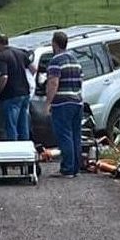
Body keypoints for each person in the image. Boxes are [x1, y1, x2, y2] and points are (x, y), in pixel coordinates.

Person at [43, 30, 83, 177]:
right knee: (75, 136)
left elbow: (53, 83)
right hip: (77, 101)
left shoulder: (56, 61)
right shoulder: (75, 60)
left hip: (62, 103)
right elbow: (81, 80)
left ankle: (67, 168)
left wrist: (48, 103)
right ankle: (76, 168)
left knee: (64, 135)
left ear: (54, 43)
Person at [0, 34, 34, 142]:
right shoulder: (20, 53)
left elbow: (4, 77)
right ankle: (25, 146)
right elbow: (33, 68)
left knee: (11, 125)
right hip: (25, 92)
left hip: (11, 95)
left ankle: (14, 148)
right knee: (23, 123)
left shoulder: (1, 56)